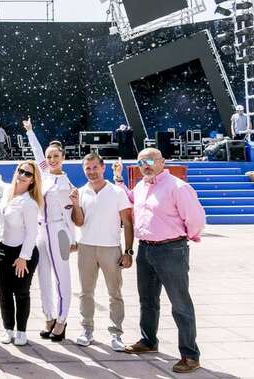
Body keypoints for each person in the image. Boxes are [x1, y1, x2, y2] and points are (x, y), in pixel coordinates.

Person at [116, 149, 206, 374]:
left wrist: (187, 237)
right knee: (147, 299)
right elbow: (130, 200)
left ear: (162, 162)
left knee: (180, 303)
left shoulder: (177, 187)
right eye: (141, 162)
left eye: (149, 160)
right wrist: (118, 180)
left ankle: (190, 355)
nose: (145, 165)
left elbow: (196, 218)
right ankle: (148, 341)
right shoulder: (141, 186)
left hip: (171, 249)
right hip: (145, 249)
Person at [73, 153, 134, 352]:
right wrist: (75, 204)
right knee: (86, 292)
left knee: (114, 293)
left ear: (103, 168)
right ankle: (87, 330)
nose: (91, 172)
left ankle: (116, 333)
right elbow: (79, 222)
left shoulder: (117, 192)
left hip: (110, 248)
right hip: (86, 247)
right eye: (87, 168)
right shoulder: (80, 192)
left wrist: (128, 251)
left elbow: (127, 223)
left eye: (95, 167)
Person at [23, 118, 77, 342]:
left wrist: (73, 239)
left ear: (63, 158)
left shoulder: (67, 186)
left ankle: (62, 320)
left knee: (61, 277)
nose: (52, 159)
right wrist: (30, 131)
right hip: (40, 232)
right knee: (43, 276)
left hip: (59, 232)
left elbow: (70, 216)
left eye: (56, 156)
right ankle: (49, 317)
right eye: (49, 156)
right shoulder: (44, 175)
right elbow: (37, 153)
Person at [0, 159, 41, 346]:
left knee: (21, 293)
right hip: (2, 249)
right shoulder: (8, 192)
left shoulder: (29, 203)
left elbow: (32, 233)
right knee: (4, 293)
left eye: (28, 174)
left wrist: (23, 258)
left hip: (23, 253)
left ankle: (21, 331)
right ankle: (8, 329)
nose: (22, 175)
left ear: (33, 180)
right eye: (21, 171)